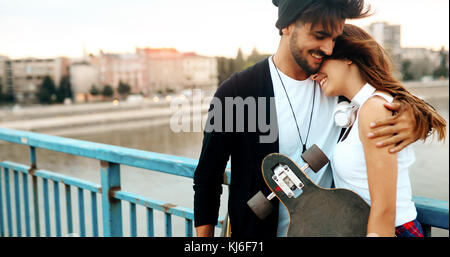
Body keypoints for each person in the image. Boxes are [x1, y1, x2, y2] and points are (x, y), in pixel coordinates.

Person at [193, 0, 429, 237]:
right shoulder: (237, 92)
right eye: (319, 35)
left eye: (334, 40)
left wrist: (415, 120)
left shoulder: (334, 87)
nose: (327, 48)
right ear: (286, 26)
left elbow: (388, 101)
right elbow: (207, 177)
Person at [312, 24, 446, 237]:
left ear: (348, 57)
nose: (314, 73)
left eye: (321, 59)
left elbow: (384, 210)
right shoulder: (357, 109)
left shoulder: (374, 108)